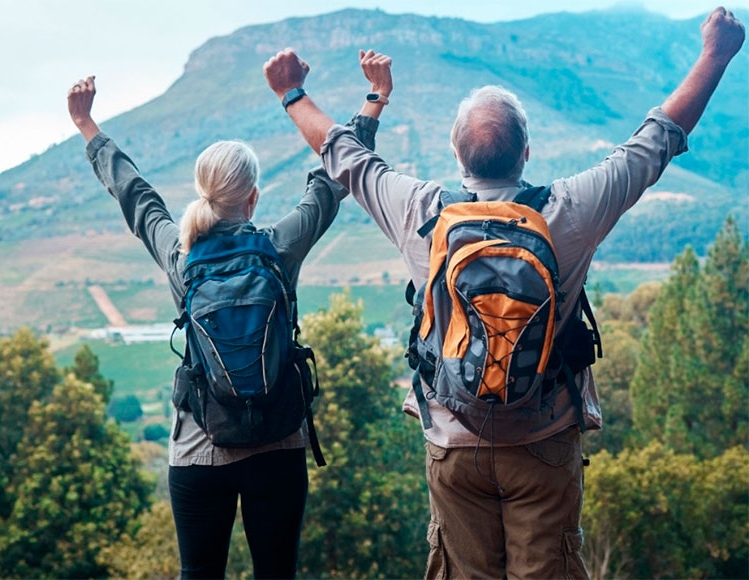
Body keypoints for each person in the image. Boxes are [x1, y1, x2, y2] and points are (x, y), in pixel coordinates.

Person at [263, 8, 745, 579]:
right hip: (544, 437)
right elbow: (654, 143)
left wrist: (292, 92)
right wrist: (715, 56)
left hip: (452, 439)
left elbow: (343, 155)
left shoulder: (420, 210)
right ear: (526, 152)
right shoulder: (570, 210)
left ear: (457, 155)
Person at [67, 62, 388, 579]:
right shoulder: (279, 248)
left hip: (199, 444)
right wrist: (374, 98)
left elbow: (136, 196)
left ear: (201, 193)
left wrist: (87, 125)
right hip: (278, 440)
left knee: (200, 574)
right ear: (253, 196)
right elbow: (335, 180)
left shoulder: (181, 256)